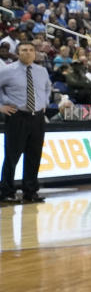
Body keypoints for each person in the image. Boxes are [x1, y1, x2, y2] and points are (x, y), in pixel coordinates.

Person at [0, 43, 52, 204]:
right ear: (18, 53)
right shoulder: (7, 70)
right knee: (12, 156)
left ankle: (30, 191)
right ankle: (6, 192)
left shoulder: (41, 71)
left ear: (35, 53)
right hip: (17, 116)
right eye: (24, 50)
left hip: (37, 117)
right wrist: (1, 106)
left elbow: (47, 88)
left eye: (31, 50)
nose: (28, 53)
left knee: (34, 155)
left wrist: (45, 102)